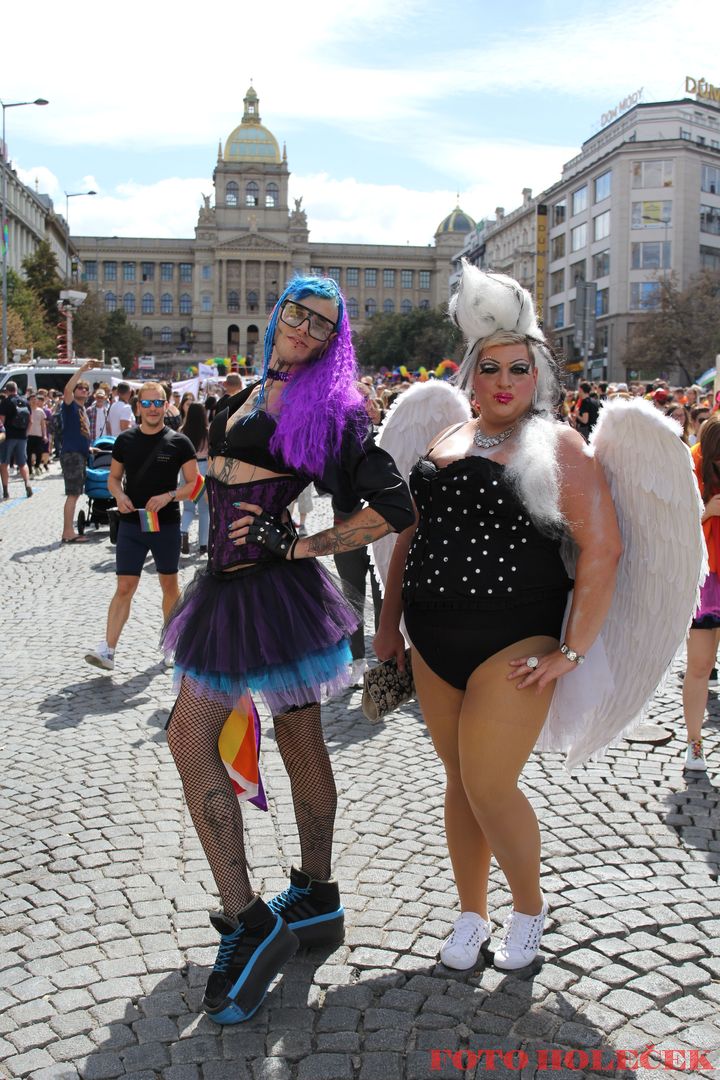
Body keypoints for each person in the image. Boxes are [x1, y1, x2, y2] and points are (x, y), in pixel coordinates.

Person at [161, 275, 413, 1025]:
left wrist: (306, 544)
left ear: (336, 340)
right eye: (297, 314)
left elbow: (394, 505)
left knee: (187, 733)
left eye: (322, 325)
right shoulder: (261, 384)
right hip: (237, 589)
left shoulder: (330, 406)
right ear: (278, 314)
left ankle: (249, 920)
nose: (304, 329)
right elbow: (240, 470)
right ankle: (315, 893)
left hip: (262, 589)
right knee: (300, 734)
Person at [374, 264, 621, 972]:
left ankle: (529, 908)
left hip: (512, 641)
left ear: (535, 375)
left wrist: (571, 653)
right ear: (472, 376)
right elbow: (408, 539)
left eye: (519, 367)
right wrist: (388, 629)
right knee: (460, 785)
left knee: (488, 783)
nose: (506, 380)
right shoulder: (446, 438)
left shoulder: (559, 445)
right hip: (431, 643)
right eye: (492, 368)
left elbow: (605, 549)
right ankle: (470, 913)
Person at [84, 382, 198, 672]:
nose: (152, 409)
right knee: (124, 586)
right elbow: (113, 478)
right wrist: (119, 496)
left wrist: (169, 496)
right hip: (131, 523)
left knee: (169, 584)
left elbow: (195, 483)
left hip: (166, 523)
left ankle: (172, 644)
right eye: (146, 404)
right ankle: (108, 650)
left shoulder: (179, 442)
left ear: (166, 404)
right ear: (138, 407)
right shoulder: (125, 440)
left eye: (157, 403)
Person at [684, 415, 720, 771]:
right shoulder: (691, 464)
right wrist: (707, 511)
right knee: (700, 666)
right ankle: (694, 744)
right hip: (707, 580)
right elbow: (675, 526)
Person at [60, 364, 97, 542]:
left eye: (86, 388)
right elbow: (67, 389)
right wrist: (81, 370)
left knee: (75, 494)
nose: (83, 390)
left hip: (80, 454)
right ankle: (68, 532)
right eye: (80, 388)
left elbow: (80, 433)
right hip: (72, 455)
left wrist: (89, 448)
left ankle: (69, 531)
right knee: (73, 494)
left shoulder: (82, 410)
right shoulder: (70, 406)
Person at [179, 402, 210, 555]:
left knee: (188, 507)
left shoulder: (182, 431)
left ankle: (183, 531)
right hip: (203, 468)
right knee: (205, 510)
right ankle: (203, 544)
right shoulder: (207, 432)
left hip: (186, 468)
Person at [0, 381, 33, 499]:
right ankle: (27, 483)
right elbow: (30, 421)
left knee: (4, 464)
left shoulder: (5, 402)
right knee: (22, 463)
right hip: (22, 437)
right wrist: (26, 434)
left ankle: (5, 490)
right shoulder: (25, 401)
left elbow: (1, 422)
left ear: (7, 391)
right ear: (16, 389)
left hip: (8, 437)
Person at [26, 393, 48, 477]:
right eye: (32, 399)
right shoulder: (27, 411)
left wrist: (44, 435)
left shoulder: (40, 411)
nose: (34, 401)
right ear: (29, 401)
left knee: (39, 452)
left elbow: (43, 424)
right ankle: (30, 471)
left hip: (38, 435)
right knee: (28, 453)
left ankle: (37, 466)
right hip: (29, 435)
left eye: (35, 399)